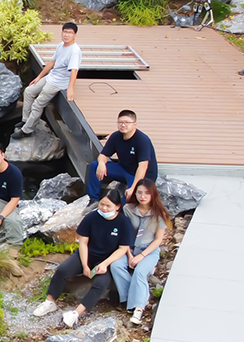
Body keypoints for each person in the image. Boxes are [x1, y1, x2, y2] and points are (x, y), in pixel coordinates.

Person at [32, 187, 134, 327]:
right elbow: (83, 242)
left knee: (100, 284)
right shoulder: (91, 217)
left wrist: (105, 264)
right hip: (87, 254)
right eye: (101, 204)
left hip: (106, 260)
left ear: (117, 207)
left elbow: (123, 248)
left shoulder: (123, 223)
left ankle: (76, 313)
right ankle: (50, 302)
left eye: (108, 206)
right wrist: (85, 265)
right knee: (63, 270)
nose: (104, 208)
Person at [111, 178, 169, 325]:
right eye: (139, 193)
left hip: (148, 250)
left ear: (153, 194)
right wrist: (130, 255)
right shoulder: (128, 210)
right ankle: (131, 297)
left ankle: (138, 308)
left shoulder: (159, 213)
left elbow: (158, 240)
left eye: (147, 193)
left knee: (140, 272)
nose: (143, 196)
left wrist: (142, 256)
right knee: (116, 265)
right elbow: (124, 234)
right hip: (129, 248)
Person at [16, 21, 81, 137]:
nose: (66, 35)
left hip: (59, 82)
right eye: (65, 32)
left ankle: (27, 130)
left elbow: (74, 70)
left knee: (38, 104)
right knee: (29, 91)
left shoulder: (74, 51)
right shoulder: (61, 46)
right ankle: (25, 120)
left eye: (70, 33)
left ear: (75, 35)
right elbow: (51, 62)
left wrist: (70, 88)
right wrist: (39, 77)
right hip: (51, 76)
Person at [88, 109, 158, 201]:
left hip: (141, 175)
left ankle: (119, 209)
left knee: (128, 199)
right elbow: (103, 155)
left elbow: (143, 167)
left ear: (135, 124)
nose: (123, 125)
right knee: (95, 165)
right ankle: (93, 199)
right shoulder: (116, 136)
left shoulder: (142, 140)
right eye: (120, 122)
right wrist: (101, 163)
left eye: (127, 122)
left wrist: (133, 188)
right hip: (124, 169)